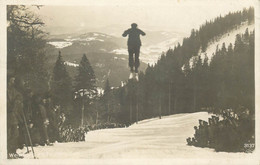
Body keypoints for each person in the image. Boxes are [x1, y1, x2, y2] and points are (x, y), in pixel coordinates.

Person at [7, 76, 24, 159]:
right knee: (8, 135)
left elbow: (19, 96)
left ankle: (12, 152)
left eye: (14, 80)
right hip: (6, 116)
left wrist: (18, 101)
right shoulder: (5, 90)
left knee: (15, 134)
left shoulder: (13, 90)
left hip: (13, 116)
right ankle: (8, 153)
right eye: (12, 80)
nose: (13, 82)